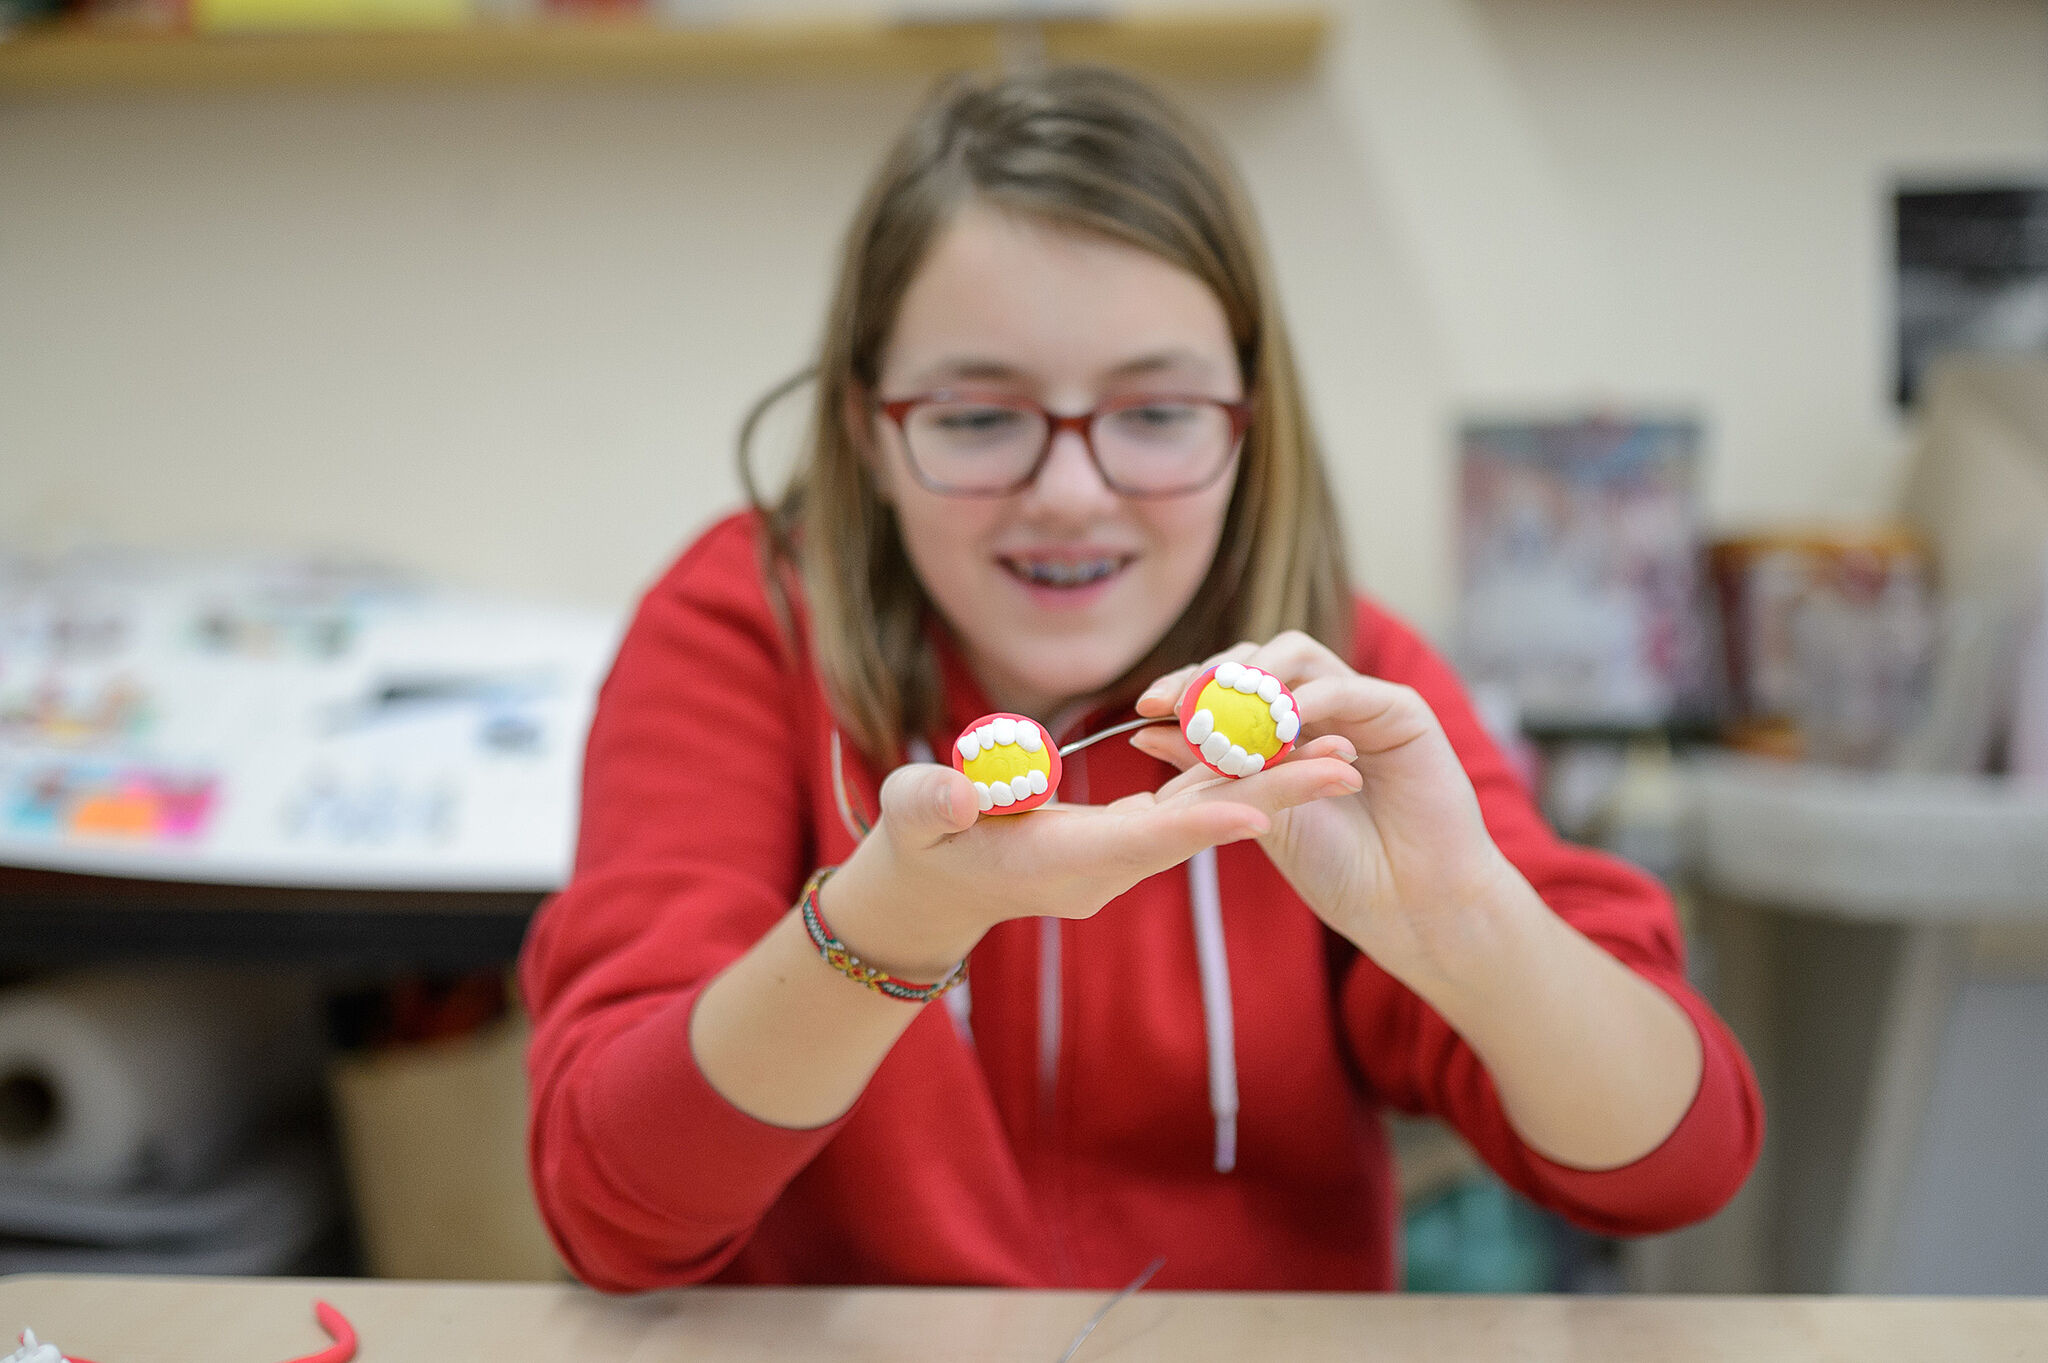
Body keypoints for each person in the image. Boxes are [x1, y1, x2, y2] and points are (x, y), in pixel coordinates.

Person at [520, 65, 1762, 1294]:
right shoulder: (739, 632)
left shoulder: (1347, 688)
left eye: (1155, 413)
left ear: (1245, 425)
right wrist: (888, 926)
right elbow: (612, 1212)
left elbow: (1672, 1168)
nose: (1069, 492)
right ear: (868, 435)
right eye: (973, 417)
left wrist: (1463, 925)